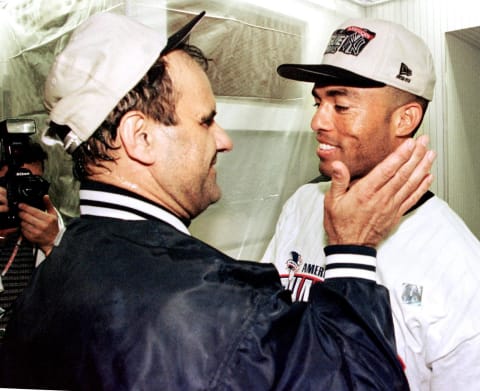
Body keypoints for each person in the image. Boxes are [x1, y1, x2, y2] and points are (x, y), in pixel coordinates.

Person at [0, 12, 434, 390]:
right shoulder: (212, 310)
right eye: (206, 121)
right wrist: (353, 252)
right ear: (141, 138)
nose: (224, 141)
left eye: (341, 105)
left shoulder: (51, 275)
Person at [262, 18, 480, 391]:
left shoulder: (458, 262)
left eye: (341, 105)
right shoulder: (303, 203)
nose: (317, 121)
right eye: (318, 102)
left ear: (405, 119)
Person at [0, 140, 64, 336]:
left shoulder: (51, 228)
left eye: (31, 184)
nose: (23, 192)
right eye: (14, 184)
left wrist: (54, 245)